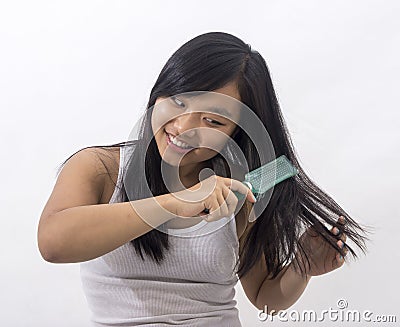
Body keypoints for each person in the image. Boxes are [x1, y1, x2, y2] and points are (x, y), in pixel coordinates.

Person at [37, 32, 369, 326]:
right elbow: (53, 243)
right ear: (158, 92)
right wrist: (178, 202)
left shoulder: (241, 189)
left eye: (213, 120)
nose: (183, 128)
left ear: (237, 131)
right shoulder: (100, 168)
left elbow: (265, 298)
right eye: (178, 101)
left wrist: (301, 265)